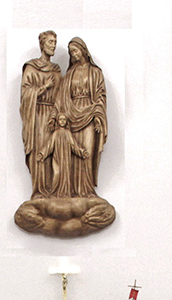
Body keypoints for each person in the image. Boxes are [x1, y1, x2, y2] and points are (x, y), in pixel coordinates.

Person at [56, 37, 107, 198]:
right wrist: (57, 114)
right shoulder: (70, 74)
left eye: (75, 51)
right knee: (73, 152)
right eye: (71, 52)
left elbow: (100, 96)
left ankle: (86, 190)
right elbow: (62, 97)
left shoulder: (95, 72)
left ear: (83, 50)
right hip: (72, 116)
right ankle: (72, 190)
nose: (73, 55)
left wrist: (98, 117)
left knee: (87, 151)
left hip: (89, 114)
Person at [20, 30, 62, 199]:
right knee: (39, 150)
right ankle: (39, 191)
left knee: (53, 151)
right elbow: (25, 94)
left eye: (55, 42)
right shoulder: (31, 68)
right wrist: (44, 87)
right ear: (42, 44)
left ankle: (54, 190)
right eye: (50, 42)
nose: (53, 45)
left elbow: (61, 95)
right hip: (37, 115)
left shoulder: (56, 70)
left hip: (52, 115)